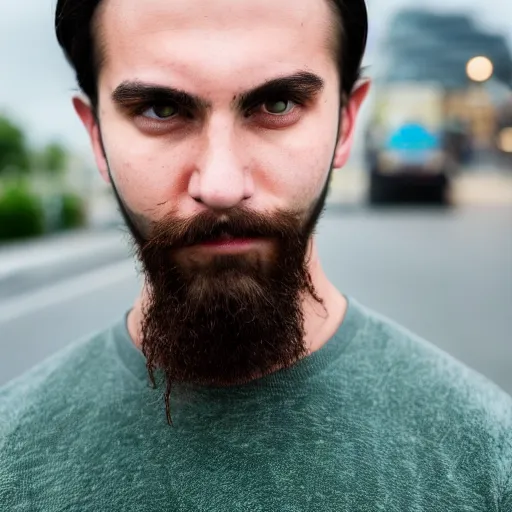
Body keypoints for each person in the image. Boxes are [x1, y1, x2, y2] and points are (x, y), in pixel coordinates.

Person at [1, 0, 511, 509]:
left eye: (278, 104)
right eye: (161, 109)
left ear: (347, 122)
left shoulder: (491, 464)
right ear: (95, 135)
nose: (221, 186)